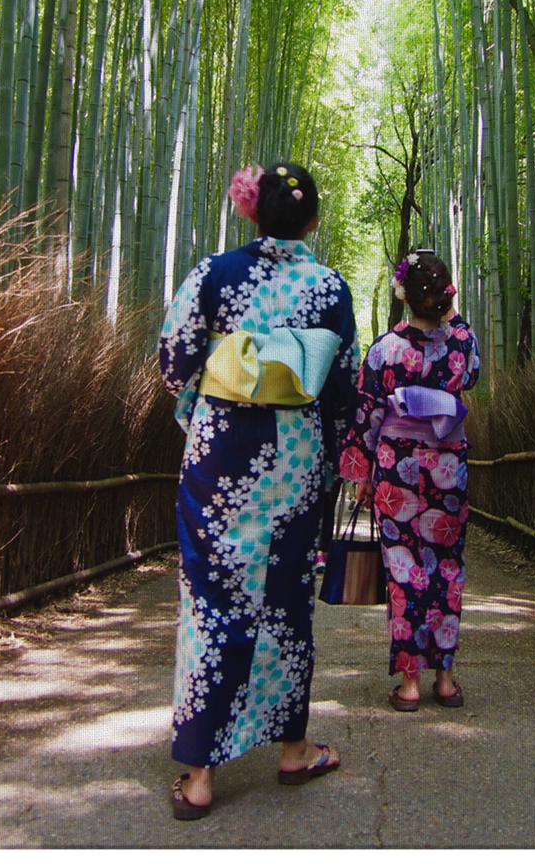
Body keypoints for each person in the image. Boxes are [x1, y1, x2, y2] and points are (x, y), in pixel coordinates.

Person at [158, 162, 359, 820]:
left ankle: (197, 775)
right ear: (313, 220)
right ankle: (293, 749)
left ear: (250, 211)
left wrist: (200, 413)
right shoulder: (329, 287)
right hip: (294, 461)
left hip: (221, 455)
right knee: (284, 599)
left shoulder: (213, 273)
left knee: (212, 600)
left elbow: (176, 357)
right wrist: (326, 461)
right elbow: (341, 388)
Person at [339, 251, 479, 712]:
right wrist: (450, 312)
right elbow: (472, 375)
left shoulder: (385, 348)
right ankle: (446, 677)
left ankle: (410, 683)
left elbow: (368, 412)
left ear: (403, 294)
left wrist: (361, 474)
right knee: (447, 566)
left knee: (404, 572)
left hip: (397, 468)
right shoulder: (460, 345)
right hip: (447, 467)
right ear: (445, 295)